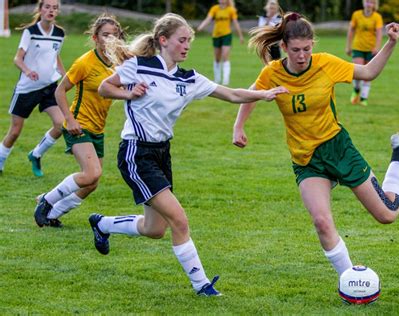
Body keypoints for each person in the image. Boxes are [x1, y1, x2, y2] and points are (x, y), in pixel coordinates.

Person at [89, 13, 287, 296]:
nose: (186, 46)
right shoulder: (139, 66)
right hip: (136, 153)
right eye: (182, 40)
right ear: (163, 40)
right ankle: (202, 285)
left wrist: (264, 94)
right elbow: (105, 87)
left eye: (189, 41)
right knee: (179, 220)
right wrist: (128, 94)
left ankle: (103, 224)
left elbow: (231, 94)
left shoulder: (189, 78)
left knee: (154, 228)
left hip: (161, 153)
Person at [233, 12, 399, 280]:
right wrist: (239, 126)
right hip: (306, 159)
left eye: (306, 49)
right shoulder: (272, 73)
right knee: (322, 223)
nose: (302, 55)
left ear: (312, 46)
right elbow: (251, 95)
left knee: (387, 214)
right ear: (284, 47)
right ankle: (350, 281)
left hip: (338, 149)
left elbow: (368, 72)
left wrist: (391, 42)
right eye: (295, 50)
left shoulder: (326, 63)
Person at [33, 14, 126, 228]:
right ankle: (47, 202)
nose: (110, 39)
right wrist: (69, 119)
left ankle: (50, 211)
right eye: (105, 35)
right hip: (78, 124)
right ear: (95, 38)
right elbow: (60, 91)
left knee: (91, 183)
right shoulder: (85, 62)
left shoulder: (120, 62)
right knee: (92, 173)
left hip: (98, 128)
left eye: (114, 35)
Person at [0, 0, 65, 177]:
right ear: (40, 9)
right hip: (27, 88)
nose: (51, 10)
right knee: (14, 132)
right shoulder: (31, 32)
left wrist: (65, 76)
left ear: (57, 11)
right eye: (47, 7)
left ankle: (36, 154)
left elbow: (55, 56)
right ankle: (0, 160)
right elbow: (17, 58)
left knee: (60, 125)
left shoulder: (60, 33)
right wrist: (28, 71)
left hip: (49, 87)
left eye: (54, 8)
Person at [196, 0, 245, 85]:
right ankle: (217, 79)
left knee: (225, 56)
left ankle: (226, 80)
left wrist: (240, 35)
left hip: (226, 35)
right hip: (216, 36)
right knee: (217, 58)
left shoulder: (230, 10)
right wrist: (200, 27)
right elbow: (208, 19)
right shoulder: (214, 9)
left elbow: (235, 23)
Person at [345, 0, 383, 106]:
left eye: (371, 2)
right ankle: (356, 89)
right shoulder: (356, 15)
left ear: (374, 4)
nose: (368, 4)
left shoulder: (377, 17)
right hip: (358, 47)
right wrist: (348, 46)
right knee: (357, 72)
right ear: (363, 3)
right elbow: (351, 30)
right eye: (367, 1)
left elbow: (379, 33)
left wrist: (377, 47)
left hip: (371, 49)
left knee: (368, 74)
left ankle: (363, 98)